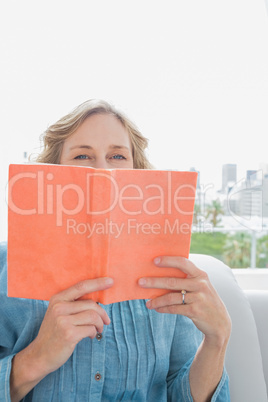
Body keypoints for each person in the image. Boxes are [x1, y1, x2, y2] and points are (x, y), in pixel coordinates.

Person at [0, 99, 231, 401]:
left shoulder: (167, 273)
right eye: (83, 155)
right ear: (53, 170)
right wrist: (36, 358)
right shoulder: (6, 265)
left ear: (137, 171)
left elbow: (181, 393)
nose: (102, 170)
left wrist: (217, 339)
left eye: (117, 156)